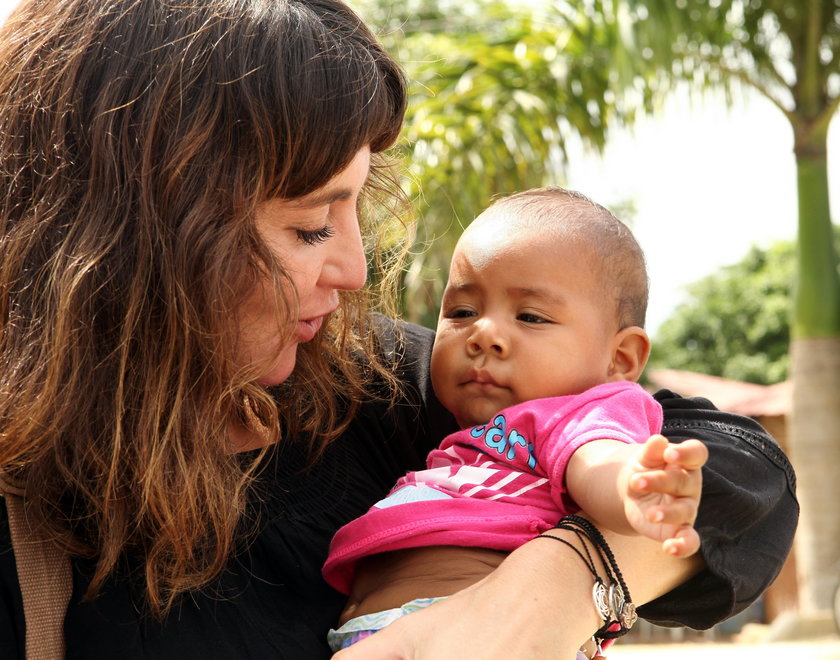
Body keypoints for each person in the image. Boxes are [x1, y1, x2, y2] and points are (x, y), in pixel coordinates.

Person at [0, 1, 797, 659]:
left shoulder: (364, 384)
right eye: (311, 227)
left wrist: (557, 587)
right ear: (136, 237)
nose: (352, 267)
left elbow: (742, 474)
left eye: (354, 206)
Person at [323, 187, 709, 656]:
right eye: (462, 312)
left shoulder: (575, 413)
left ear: (621, 358)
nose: (484, 334)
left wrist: (635, 487)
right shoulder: (470, 436)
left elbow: (597, 458)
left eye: (530, 316)